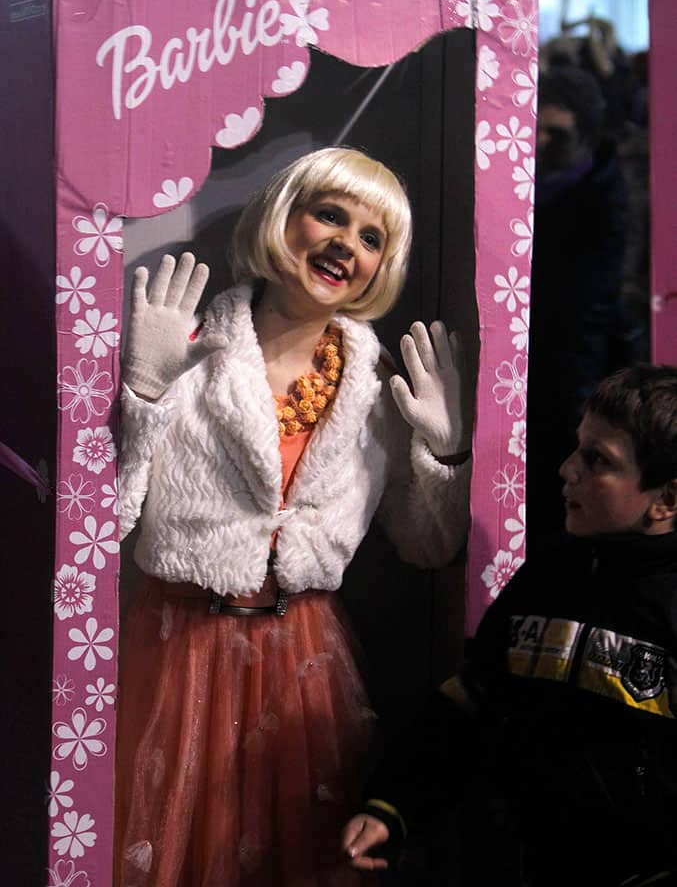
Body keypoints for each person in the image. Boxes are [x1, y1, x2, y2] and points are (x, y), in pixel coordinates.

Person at [114, 146, 472, 887]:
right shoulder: (191, 355)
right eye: (331, 215)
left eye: (372, 237)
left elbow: (428, 546)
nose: (347, 243)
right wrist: (146, 397)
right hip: (179, 648)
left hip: (302, 658)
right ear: (285, 219)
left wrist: (443, 453)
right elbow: (106, 520)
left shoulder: (378, 393)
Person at [343, 363, 677, 887]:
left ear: (667, 500)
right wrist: (394, 804)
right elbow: (469, 705)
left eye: (599, 461)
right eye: (577, 448)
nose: (568, 469)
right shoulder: (547, 576)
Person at [527, 64, 630, 546]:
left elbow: (591, 312)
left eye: (558, 132)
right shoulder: (527, 183)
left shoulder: (603, 198)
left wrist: (580, 405)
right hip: (529, 368)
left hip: (574, 375)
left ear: (586, 134)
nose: (543, 141)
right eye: (537, 128)